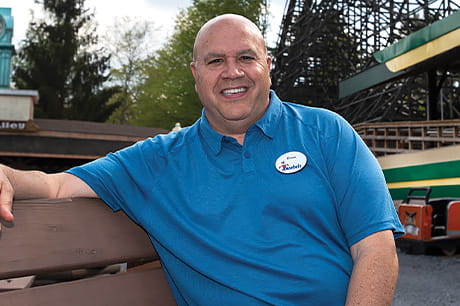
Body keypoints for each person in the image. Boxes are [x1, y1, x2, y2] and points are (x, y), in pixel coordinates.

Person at [0, 14, 403, 305]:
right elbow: (55, 184)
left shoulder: (327, 132)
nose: (232, 72)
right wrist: (7, 177)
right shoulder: (158, 161)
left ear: (268, 66)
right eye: (215, 61)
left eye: (246, 57)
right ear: (196, 74)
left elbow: (375, 249)